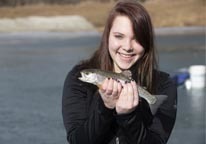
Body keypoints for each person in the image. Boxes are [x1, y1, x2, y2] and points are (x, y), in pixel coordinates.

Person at [62, 0, 177, 144]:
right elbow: (77, 141)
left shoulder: (163, 84)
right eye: (119, 36)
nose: (127, 47)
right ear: (107, 36)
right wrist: (105, 108)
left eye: (137, 39)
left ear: (147, 42)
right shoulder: (77, 78)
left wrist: (128, 116)